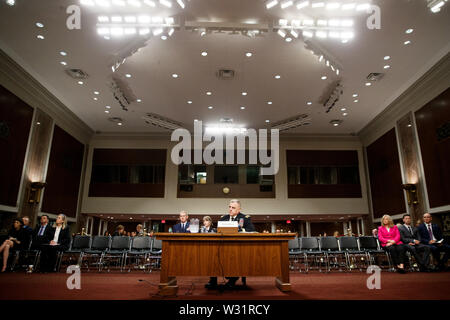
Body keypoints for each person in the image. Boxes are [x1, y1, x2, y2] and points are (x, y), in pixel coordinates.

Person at [206, 199, 255, 289]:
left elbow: (251, 230)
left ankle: (232, 281)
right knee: (213, 256)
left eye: (233, 207)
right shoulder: (223, 218)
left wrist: (240, 230)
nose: (230, 209)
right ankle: (213, 281)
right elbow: (218, 231)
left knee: (236, 258)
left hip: (238, 247)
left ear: (239, 209)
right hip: (223, 246)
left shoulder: (245, 218)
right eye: (229, 207)